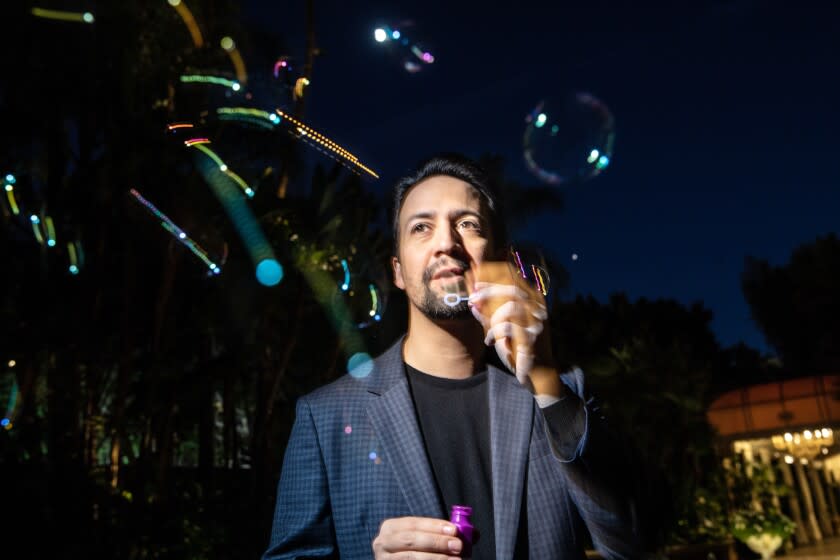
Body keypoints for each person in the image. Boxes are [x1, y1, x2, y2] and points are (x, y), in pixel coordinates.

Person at [263, 153, 659, 559]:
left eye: (467, 224)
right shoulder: (323, 416)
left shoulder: (560, 396)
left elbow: (631, 545)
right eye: (421, 227)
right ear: (397, 271)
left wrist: (545, 383)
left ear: (501, 258)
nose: (446, 243)